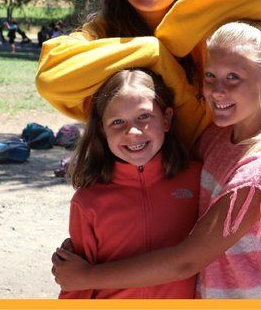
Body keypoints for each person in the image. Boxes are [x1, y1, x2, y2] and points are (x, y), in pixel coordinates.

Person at [36, 0, 261, 267]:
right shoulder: (100, 34)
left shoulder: (211, 20)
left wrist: (169, 35)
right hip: (132, 195)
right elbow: (50, 78)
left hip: (208, 200)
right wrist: (153, 53)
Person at [52, 20, 261, 298]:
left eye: (233, 77)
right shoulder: (217, 138)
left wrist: (86, 277)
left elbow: (186, 261)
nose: (216, 90)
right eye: (210, 76)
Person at [58, 68, 200, 299]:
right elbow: (75, 282)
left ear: (166, 119)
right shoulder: (88, 201)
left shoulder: (197, 179)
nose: (132, 131)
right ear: (102, 130)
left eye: (144, 116)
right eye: (117, 121)